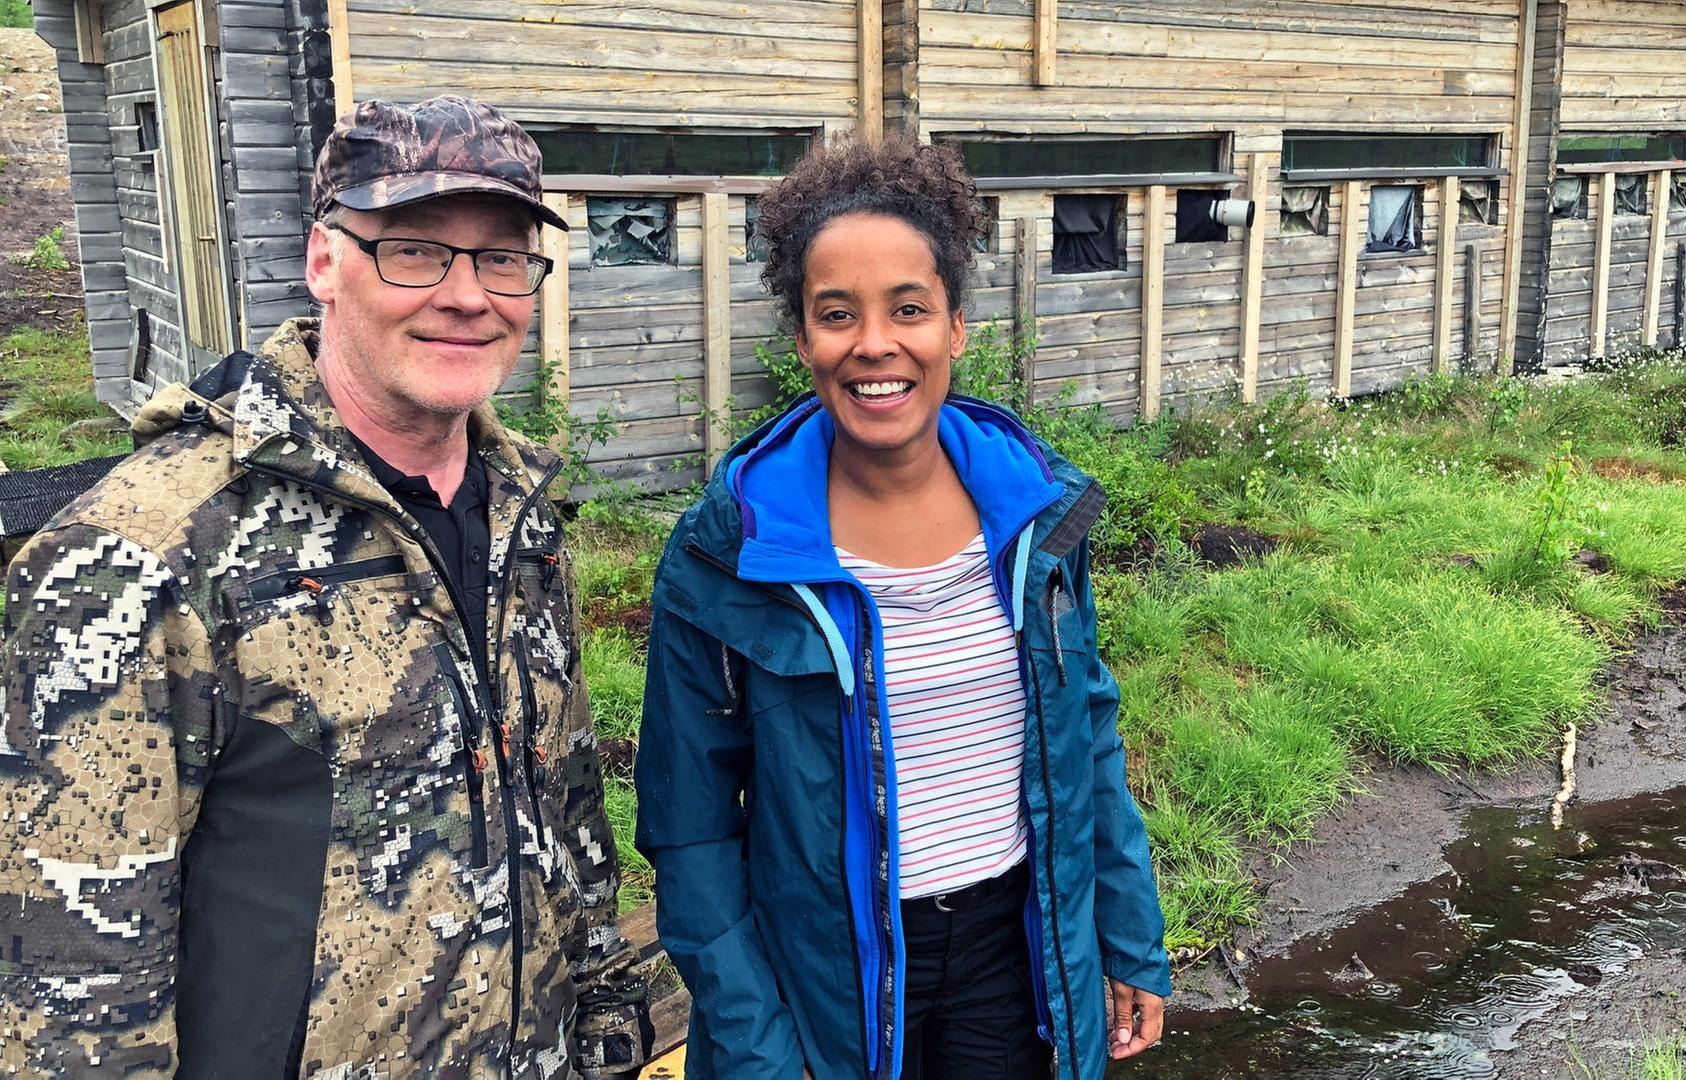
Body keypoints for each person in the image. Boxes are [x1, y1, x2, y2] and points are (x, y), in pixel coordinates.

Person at [0, 95, 651, 1077]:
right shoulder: (143, 556)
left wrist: (601, 1015)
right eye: (415, 251)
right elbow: (70, 995)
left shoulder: (523, 513)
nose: (467, 294)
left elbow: (564, 802)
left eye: (502, 258)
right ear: (322, 261)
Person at [635, 135, 1170, 1080]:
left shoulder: (1037, 516)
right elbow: (692, 831)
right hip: (824, 980)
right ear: (802, 339)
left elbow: (1087, 737)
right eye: (837, 313)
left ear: (955, 327)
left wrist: (1128, 937)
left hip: (1015, 956)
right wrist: (759, 1052)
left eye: (909, 309)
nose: (875, 343)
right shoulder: (728, 553)